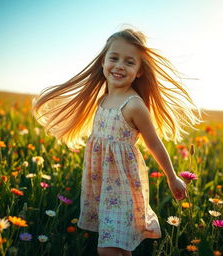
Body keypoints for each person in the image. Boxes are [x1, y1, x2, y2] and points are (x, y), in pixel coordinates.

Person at [32, 28, 201, 256]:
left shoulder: (134, 105)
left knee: (107, 249)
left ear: (139, 71)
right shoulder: (103, 99)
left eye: (129, 62)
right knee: (118, 247)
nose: (120, 65)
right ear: (103, 62)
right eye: (114, 58)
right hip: (101, 186)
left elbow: (155, 144)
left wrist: (172, 178)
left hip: (123, 188)